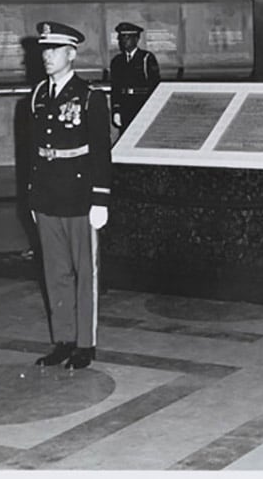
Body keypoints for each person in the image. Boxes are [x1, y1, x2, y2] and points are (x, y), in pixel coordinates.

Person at [29, 21, 111, 370]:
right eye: (44, 50)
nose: (47, 56)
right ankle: (63, 340)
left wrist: (101, 199)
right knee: (55, 272)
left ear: (72, 54)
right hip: (48, 197)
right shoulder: (36, 96)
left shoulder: (90, 97)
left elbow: (101, 153)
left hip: (79, 196)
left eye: (55, 50)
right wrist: (32, 197)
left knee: (84, 274)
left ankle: (84, 344)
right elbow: (32, 151)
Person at [109, 21, 160, 131]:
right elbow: (116, 87)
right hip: (125, 106)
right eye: (121, 38)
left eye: (127, 38)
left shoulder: (146, 58)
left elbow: (154, 84)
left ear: (136, 39)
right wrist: (116, 110)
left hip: (142, 104)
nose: (123, 41)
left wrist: (152, 108)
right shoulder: (117, 61)